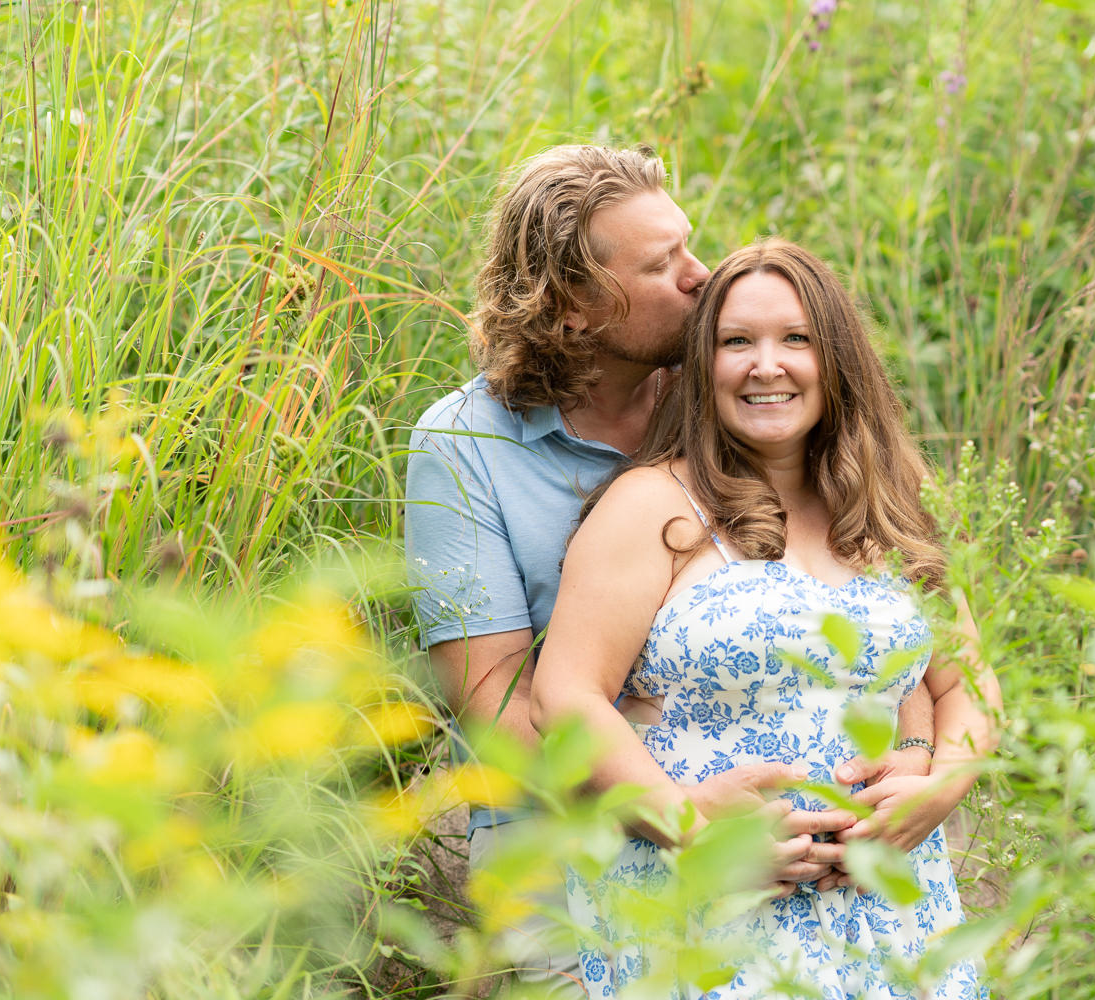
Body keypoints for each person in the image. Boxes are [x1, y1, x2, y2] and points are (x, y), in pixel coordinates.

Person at [405, 147, 935, 990]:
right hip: (562, 854)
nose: (702, 276)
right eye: (663, 265)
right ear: (574, 305)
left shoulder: (728, 390)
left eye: (690, 245)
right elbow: (495, 709)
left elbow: (861, 583)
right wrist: (678, 813)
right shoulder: (461, 448)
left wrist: (910, 751)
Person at [531, 239, 1001, 998]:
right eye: (735, 342)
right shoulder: (652, 505)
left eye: (796, 339)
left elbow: (966, 683)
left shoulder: (896, 501)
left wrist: (944, 781)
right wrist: (690, 821)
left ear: (836, 357)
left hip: (892, 913)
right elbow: (566, 698)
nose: (765, 365)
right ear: (701, 365)